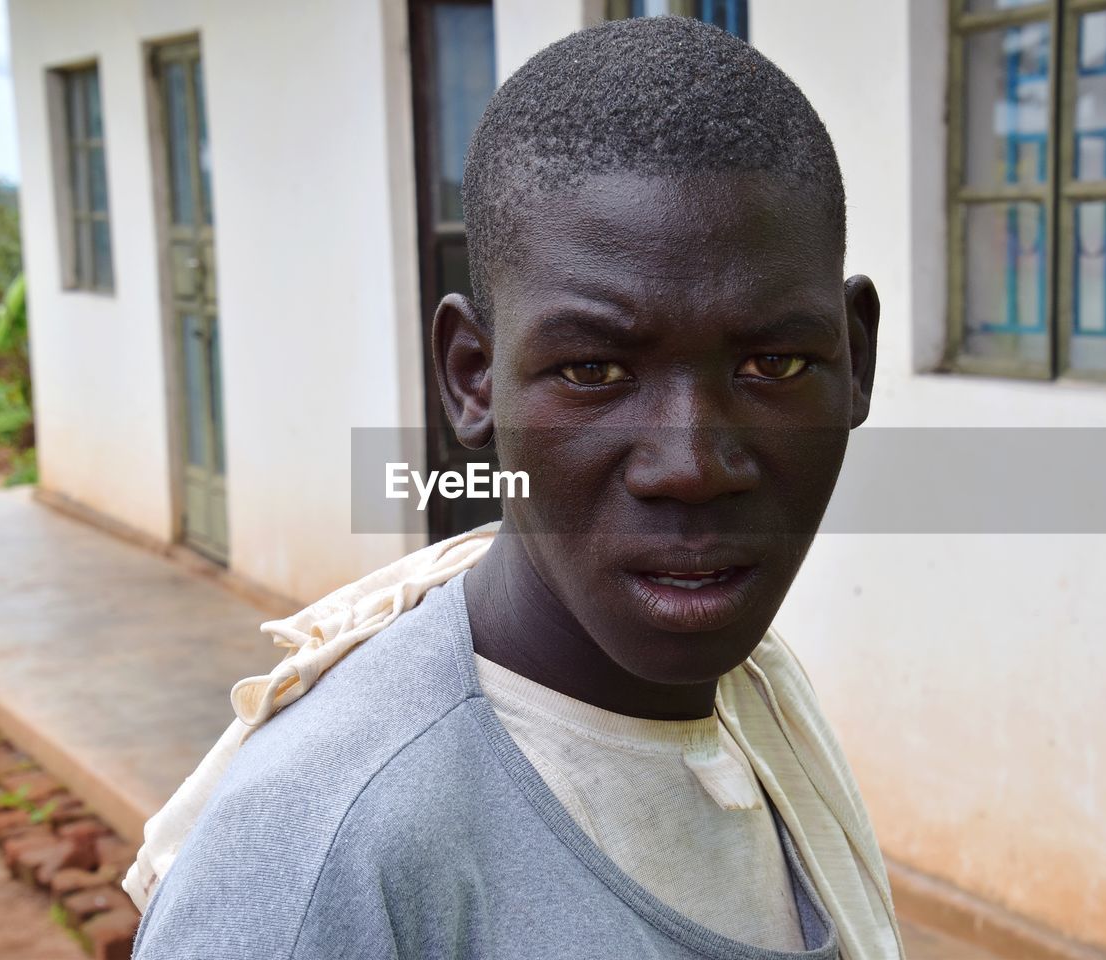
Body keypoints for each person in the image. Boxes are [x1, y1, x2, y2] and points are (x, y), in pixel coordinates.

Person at [131, 16, 902, 960]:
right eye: (593, 372)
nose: (691, 465)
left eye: (773, 363)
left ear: (856, 360)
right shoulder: (330, 860)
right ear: (471, 378)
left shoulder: (761, 702)